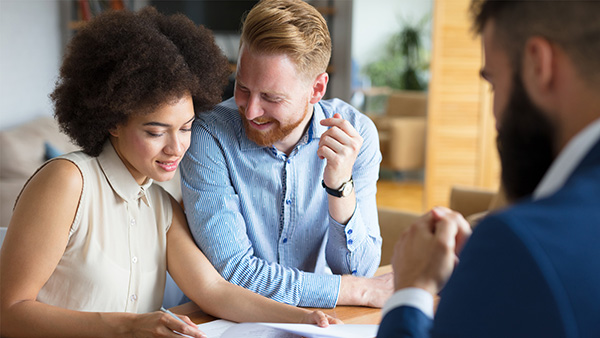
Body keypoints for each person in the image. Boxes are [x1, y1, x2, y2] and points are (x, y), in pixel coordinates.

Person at [0, 7, 341, 338]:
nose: (176, 148)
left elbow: (215, 291)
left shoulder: (160, 205)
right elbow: (8, 312)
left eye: (186, 129)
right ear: (114, 121)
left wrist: (304, 318)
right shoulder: (68, 181)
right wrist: (128, 327)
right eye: (155, 132)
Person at [377, 0, 600, 337]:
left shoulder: (520, 244)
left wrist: (412, 290)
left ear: (539, 64)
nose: (495, 116)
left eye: (493, 82)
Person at [180, 0, 392, 308]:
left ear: (317, 89)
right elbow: (234, 273)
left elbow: (358, 270)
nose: (251, 110)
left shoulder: (357, 135)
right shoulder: (209, 135)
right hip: (227, 323)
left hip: (321, 323)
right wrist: (352, 291)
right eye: (241, 87)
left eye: (270, 97)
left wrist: (340, 186)